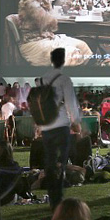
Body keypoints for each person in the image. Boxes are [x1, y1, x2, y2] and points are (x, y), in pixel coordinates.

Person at [36, 47, 82, 210]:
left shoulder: (42, 79)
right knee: (61, 162)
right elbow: (70, 103)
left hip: (46, 125)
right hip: (60, 123)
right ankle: (58, 198)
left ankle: (52, 197)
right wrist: (76, 121)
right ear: (62, 61)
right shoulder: (63, 79)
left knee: (49, 162)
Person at [17, 0, 93, 66]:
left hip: (47, 38)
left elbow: (52, 24)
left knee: (82, 46)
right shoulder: (29, 3)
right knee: (71, 53)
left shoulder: (42, 0)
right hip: (33, 43)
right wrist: (51, 8)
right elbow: (51, 22)